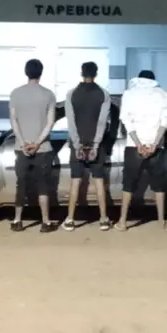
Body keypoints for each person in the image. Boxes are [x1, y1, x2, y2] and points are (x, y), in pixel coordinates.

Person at [115, 70, 167, 231]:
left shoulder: (129, 94)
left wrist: (139, 144)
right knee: (159, 186)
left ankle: (122, 222)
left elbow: (126, 121)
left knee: (128, 185)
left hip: (133, 146)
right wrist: (154, 144)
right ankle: (161, 222)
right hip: (157, 147)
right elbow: (165, 122)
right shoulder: (164, 95)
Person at [62, 62, 112, 231]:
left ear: (81, 73)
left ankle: (70, 220)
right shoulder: (103, 94)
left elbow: (71, 122)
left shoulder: (71, 94)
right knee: (99, 181)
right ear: (96, 74)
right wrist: (95, 145)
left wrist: (77, 145)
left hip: (77, 144)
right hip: (97, 145)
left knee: (75, 181)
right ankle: (103, 219)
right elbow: (102, 122)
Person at [8, 59, 57, 233]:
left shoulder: (15, 94)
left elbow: (14, 120)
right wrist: (37, 143)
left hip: (21, 148)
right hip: (43, 148)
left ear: (26, 72)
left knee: (21, 184)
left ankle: (17, 220)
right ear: (41, 73)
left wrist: (23, 143)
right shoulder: (48, 95)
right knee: (43, 186)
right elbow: (50, 122)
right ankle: (45, 222)